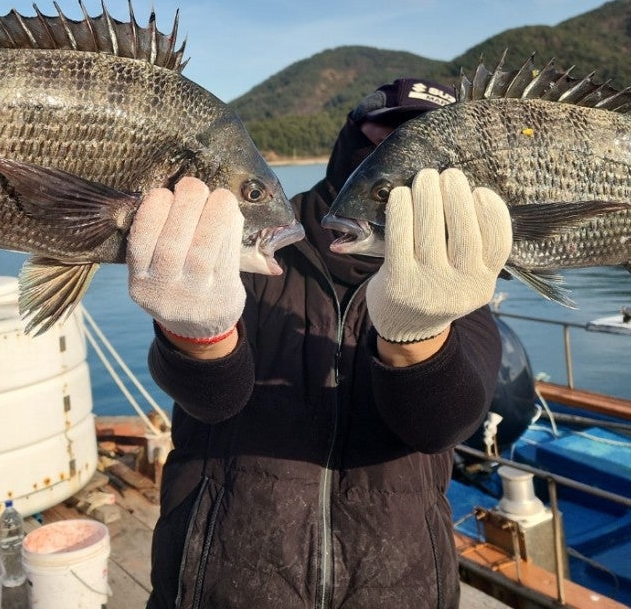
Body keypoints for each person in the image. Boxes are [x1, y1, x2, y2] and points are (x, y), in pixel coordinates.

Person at [126, 77, 511, 609]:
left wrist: (417, 333)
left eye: (431, 148)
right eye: (391, 138)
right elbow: (209, 402)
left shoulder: (464, 271)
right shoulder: (246, 233)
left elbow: (441, 426)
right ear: (350, 139)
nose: (411, 160)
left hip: (399, 588)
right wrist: (196, 333)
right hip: (217, 582)